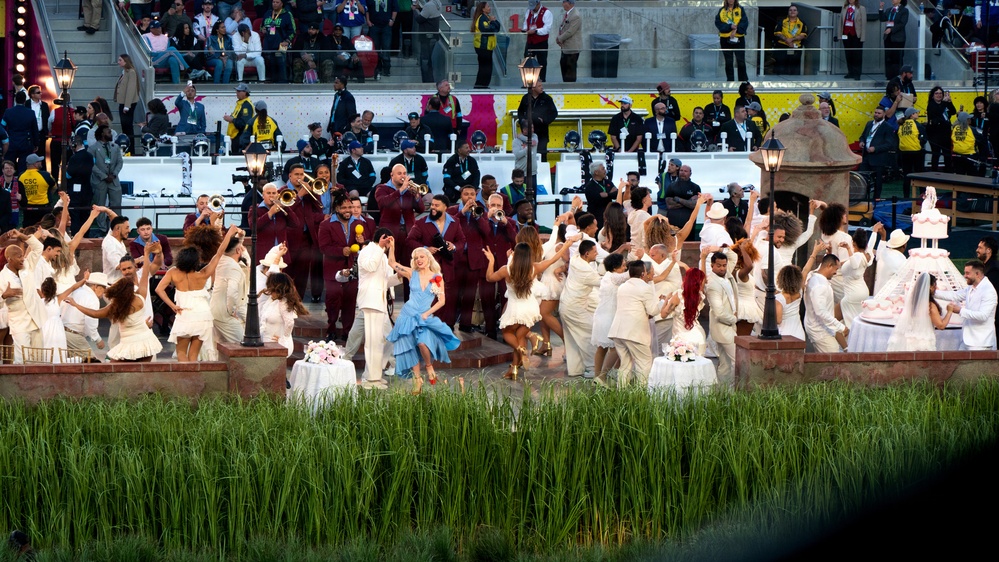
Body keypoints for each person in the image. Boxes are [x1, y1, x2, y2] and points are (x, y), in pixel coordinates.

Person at [485, 237, 576, 381]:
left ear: (515, 254)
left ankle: (521, 349)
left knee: (507, 333)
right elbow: (554, 258)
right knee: (520, 337)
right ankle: (514, 368)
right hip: (531, 310)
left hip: (515, 309)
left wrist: (491, 260)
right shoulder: (535, 268)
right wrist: (567, 245)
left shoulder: (506, 270)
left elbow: (489, 277)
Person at [156, 226, 240, 361]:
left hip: (185, 315)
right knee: (193, 356)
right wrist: (229, 234)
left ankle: (185, 375)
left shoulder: (173, 272)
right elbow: (219, 253)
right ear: (196, 261)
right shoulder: (203, 274)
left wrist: (173, 305)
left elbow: (159, 289)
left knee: (181, 354)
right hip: (203, 316)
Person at [66, 244, 162, 362]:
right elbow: (145, 273)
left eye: (129, 268)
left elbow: (95, 314)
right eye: (124, 269)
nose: (126, 272)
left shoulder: (116, 305)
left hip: (132, 342)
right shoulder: (140, 296)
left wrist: (75, 304)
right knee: (143, 371)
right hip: (145, 340)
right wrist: (146, 254)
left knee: (115, 368)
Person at [386, 245, 461, 393]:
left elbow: (442, 301)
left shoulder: (437, 277)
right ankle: (417, 380)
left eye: (421, 257)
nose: (418, 260)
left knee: (422, 343)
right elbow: (392, 263)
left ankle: (429, 366)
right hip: (407, 316)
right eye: (416, 258)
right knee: (410, 346)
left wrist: (427, 313)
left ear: (428, 258)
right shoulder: (411, 273)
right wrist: (393, 246)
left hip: (423, 316)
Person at [408, 194, 465, 327]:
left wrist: (454, 246)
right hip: (429, 270)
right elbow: (410, 240)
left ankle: (447, 328)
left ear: (445, 207)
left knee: (448, 299)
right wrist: (425, 249)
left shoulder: (455, 222)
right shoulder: (421, 222)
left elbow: (462, 240)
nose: (433, 207)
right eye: (432, 204)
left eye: (436, 205)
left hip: (448, 267)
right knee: (431, 300)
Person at [939, 260, 999, 350]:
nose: (965, 276)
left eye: (967, 273)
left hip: (981, 343)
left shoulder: (988, 291)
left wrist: (960, 310)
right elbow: (954, 295)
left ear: (977, 274)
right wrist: (932, 292)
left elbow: (983, 316)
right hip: (967, 341)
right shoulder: (970, 288)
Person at [886, 273, 952, 352]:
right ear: (930, 287)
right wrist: (949, 311)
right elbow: (941, 325)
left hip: (909, 339)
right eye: (934, 285)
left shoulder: (912, 303)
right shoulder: (930, 306)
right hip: (923, 342)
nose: (935, 288)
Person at [590, 253, 628, 384]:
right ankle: (602, 376)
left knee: (602, 348)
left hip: (602, 315)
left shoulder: (607, 276)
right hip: (609, 317)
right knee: (615, 348)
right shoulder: (614, 277)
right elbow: (631, 274)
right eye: (623, 265)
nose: (625, 268)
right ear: (615, 267)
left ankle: (597, 376)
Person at [804, 254, 848, 352]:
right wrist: (840, 326)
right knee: (833, 357)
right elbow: (820, 312)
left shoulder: (814, 276)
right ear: (829, 265)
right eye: (836, 269)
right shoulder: (820, 285)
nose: (836, 273)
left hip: (821, 328)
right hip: (820, 331)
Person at [260, 271, 309, 356]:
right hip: (267, 342)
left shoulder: (283, 303)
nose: (270, 291)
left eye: (271, 289)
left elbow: (290, 322)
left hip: (277, 344)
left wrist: (283, 339)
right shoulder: (271, 300)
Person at [210, 234, 247, 344]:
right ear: (238, 250)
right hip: (225, 315)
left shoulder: (221, 259)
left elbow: (226, 247)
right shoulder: (233, 268)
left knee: (222, 349)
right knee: (242, 346)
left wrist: (240, 237)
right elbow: (231, 292)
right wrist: (232, 311)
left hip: (215, 312)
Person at [663, 267, 708, 355]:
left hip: (682, 339)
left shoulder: (678, 295)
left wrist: (667, 299)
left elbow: (663, 314)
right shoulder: (699, 296)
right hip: (698, 336)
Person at [62, 271, 108, 357]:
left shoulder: (78, 290)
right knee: (92, 362)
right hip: (74, 335)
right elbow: (90, 323)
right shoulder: (93, 299)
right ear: (95, 286)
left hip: (62, 331)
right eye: (103, 288)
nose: (104, 291)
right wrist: (98, 340)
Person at [858, 105, 898, 201]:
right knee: (862, 177)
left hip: (878, 158)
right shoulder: (869, 124)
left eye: (879, 113)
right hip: (866, 156)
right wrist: (862, 142)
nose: (876, 114)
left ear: (884, 114)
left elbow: (889, 144)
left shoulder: (888, 127)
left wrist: (875, 149)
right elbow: (862, 136)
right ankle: (862, 198)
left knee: (877, 180)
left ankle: (876, 199)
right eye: (875, 112)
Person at [253, 182, 301, 261]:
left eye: (274, 193)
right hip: (264, 254)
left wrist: (285, 206)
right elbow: (254, 226)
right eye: (268, 193)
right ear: (263, 195)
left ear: (277, 195)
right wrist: (270, 213)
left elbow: (296, 224)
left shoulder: (282, 210)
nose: (271, 195)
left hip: (281, 253)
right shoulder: (255, 209)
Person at [839, 228, 874, 329]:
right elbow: (870, 246)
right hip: (861, 292)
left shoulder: (857, 255)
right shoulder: (866, 255)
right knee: (856, 323)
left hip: (852, 295)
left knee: (845, 323)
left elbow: (854, 265)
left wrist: (848, 249)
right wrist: (874, 233)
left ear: (853, 243)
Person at [1, 91, 38, 173]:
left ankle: (9, 180)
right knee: (23, 166)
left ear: (15, 99)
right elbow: (35, 129)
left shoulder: (8, 112)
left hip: (11, 142)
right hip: (26, 143)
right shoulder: (31, 113)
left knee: (9, 165)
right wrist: (36, 144)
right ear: (25, 100)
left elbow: (2, 126)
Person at [112, 56, 140, 154]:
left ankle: (131, 150)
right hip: (123, 102)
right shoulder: (125, 72)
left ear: (126, 61)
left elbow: (131, 89)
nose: (118, 62)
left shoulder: (131, 72)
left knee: (128, 127)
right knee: (125, 127)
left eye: (120, 60)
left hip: (128, 104)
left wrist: (127, 106)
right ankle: (127, 149)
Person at [18, 155, 56, 228]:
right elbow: (54, 187)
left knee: (28, 231)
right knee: (46, 230)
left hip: (28, 209)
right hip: (44, 208)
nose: (41, 162)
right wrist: (49, 194)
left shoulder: (21, 176)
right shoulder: (45, 175)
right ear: (35, 164)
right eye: (39, 161)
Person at [716, 0, 749, 82]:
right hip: (725, 39)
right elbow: (718, 24)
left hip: (739, 39)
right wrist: (730, 27)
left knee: (741, 61)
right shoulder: (722, 10)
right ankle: (730, 81)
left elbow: (744, 22)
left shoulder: (740, 9)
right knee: (729, 62)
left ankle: (743, 82)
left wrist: (735, 30)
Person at [471, 2, 501, 88]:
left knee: (487, 66)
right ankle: (480, 84)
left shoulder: (488, 18)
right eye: (488, 6)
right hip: (482, 46)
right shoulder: (482, 18)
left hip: (488, 46)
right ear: (483, 9)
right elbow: (488, 30)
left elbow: (497, 28)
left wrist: (494, 21)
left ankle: (484, 84)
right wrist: (492, 22)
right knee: (485, 67)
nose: (489, 8)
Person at [366, 0, 397, 78]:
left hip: (386, 26)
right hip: (374, 26)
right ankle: (377, 67)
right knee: (375, 48)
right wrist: (368, 20)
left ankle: (386, 68)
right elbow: (367, 9)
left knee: (386, 47)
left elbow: (395, 8)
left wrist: (393, 20)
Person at [773, 5, 808, 75]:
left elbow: (803, 35)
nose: (792, 11)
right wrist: (786, 40)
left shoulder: (802, 23)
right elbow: (777, 33)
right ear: (788, 12)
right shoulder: (782, 21)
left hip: (795, 47)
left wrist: (791, 40)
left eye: (794, 10)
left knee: (794, 68)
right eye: (790, 10)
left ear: (797, 12)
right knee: (781, 67)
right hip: (782, 47)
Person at [774, 264, 805, 340]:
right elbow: (806, 270)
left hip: (784, 334)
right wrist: (813, 256)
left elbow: (778, 320)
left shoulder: (779, 298)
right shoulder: (800, 292)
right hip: (799, 334)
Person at [523, 0, 553, 81]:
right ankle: (528, 81)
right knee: (527, 61)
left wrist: (536, 31)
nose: (532, 9)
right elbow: (526, 23)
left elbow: (547, 29)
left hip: (541, 42)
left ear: (538, 4)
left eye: (534, 7)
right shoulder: (529, 11)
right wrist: (525, 29)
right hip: (530, 41)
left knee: (542, 62)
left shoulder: (546, 12)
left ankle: (542, 80)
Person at [879, 0, 909, 80]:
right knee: (888, 57)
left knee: (897, 58)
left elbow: (902, 24)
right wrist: (881, 9)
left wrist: (892, 29)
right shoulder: (889, 10)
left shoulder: (904, 10)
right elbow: (882, 18)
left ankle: (898, 76)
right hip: (888, 37)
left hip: (898, 38)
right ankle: (889, 76)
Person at [951, 111, 986, 176]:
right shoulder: (972, 129)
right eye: (969, 118)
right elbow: (981, 140)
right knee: (972, 175)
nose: (970, 120)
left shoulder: (954, 128)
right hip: (970, 156)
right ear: (966, 120)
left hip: (957, 155)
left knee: (959, 175)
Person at [223, 84, 254, 154]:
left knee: (238, 157)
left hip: (241, 138)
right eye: (237, 91)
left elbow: (244, 123)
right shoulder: (240, 104)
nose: (236, 93)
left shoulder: (246, 105)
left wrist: (232, 120)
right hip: (237, 137)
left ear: (245, 92)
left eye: (239, 91)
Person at [840, 0, 867, 79]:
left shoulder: (861, 8)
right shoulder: (844, 8)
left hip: (856, 35)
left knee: (857, 55)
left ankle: (857, 73)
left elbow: (863, 24)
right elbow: (841, 22)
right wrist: (840, 35)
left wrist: (863, 37)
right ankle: (850, 72)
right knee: (848, 54)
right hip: (846, 34)